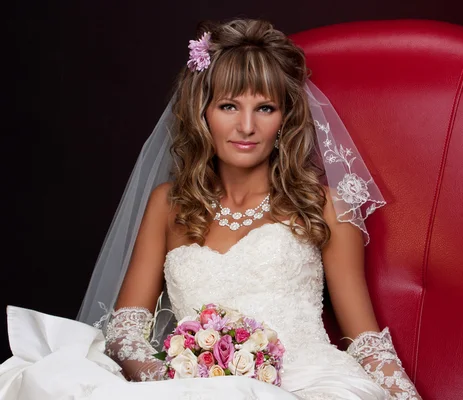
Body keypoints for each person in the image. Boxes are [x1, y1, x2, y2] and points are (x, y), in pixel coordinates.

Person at [0, 18, 422, 400]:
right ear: (202, 113)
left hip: (310, 385)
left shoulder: (324, 206)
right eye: (228, 106)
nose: (246, 127)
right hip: (189, 387)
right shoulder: (169, 204)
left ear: (286, 118)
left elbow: (366, 340)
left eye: (265, 108)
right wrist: (172, 381)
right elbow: (126, 329)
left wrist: (405, 395)